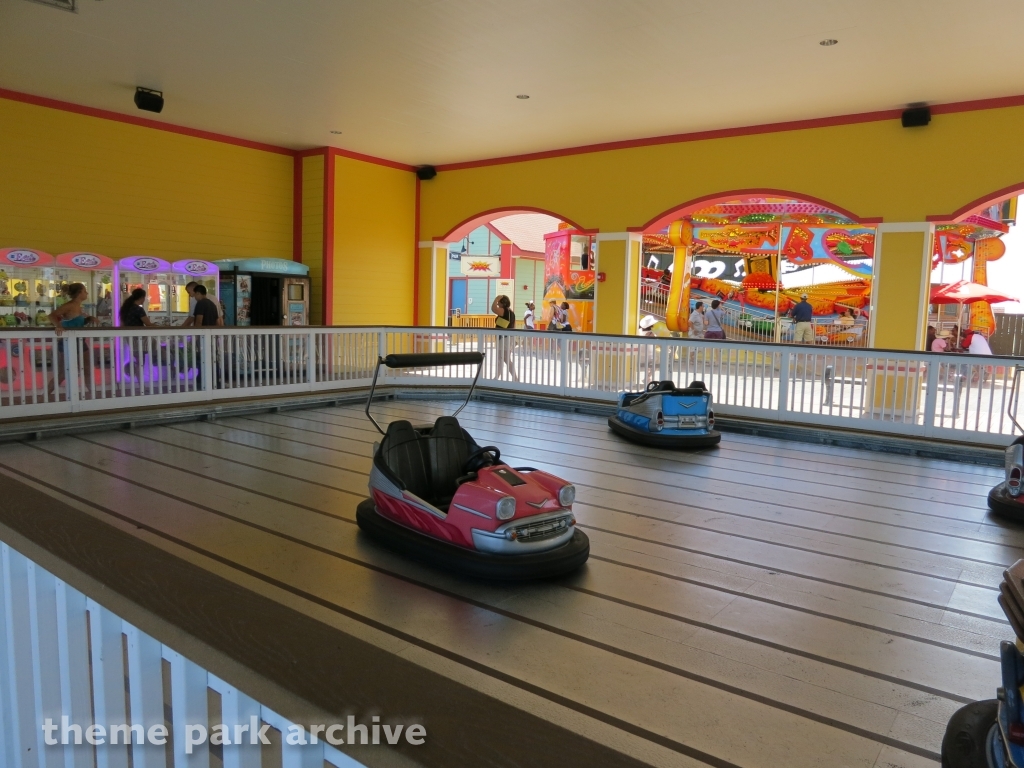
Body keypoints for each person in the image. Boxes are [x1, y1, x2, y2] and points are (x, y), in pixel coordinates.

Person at [47, 283, 97, 397]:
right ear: (79, 293)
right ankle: (43, 396)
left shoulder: (78, 306)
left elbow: (76, 322)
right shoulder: (70, 305)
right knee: (63, 373)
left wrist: (88, 319)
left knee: (87, 369)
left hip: (80, 341)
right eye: (85, 291)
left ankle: (93, 395)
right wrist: (58, 326)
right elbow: (52, 315)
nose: (87, 293)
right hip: (68, 342)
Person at [491, 294, 518, 381]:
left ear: (503, 303)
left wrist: (496, 298)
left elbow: (493, 309)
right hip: (508, 337)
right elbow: (513, 325)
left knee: (505, 358)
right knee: (501, 358)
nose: (498, 304)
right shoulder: (511, 312)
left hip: (504, 338)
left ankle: (515, 378)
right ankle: (497, 377)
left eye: (499, 303)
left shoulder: (504, 311)